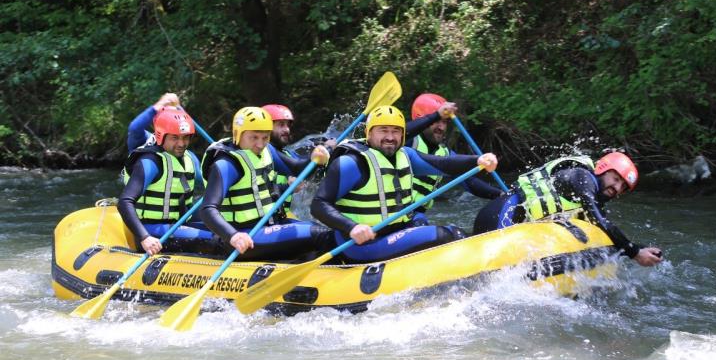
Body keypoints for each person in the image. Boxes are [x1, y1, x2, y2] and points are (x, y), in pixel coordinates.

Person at [310, 105, 499, 263]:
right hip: (360, 245)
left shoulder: (406, 155)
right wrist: (351, 227)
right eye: (383, 130)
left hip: (395, 231)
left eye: (396, 131)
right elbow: (318, 205)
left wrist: (478, 160)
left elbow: (443, 164)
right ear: (369, 133)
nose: (390, 137)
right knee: (445, 235)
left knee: (433, 225)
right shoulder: (351, 163)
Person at [473, 151, 663, 267]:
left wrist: (639, 247)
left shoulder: (590, 197)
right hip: (499, 215)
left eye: (623, 187)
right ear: (602, 169)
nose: (617, 188)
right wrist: (635, 253)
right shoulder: (581, 177)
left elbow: (607, 235)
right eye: (616, 179)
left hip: (513, 228)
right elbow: (600, 221)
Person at [199, 107, 335, 261]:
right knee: (320, 234)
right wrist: (233, 236)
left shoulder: (267, 150)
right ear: (238, 134)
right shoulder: (226, 164)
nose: (260, 144)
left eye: (265, 137)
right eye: (254, 137)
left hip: (270, 226)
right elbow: (207, 209)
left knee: (324, 233)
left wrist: (315, 159)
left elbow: (297, 168)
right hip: (246, 236)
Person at [118, 108, 219, 255]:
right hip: (152, 231)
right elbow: (124, 202)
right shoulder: (150, 162)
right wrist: (144, 237)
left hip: (179, 223)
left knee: (226, 227)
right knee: (218, 239)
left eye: (185, 137)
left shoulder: (190, 159)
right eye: (175, 138)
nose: (181, 143)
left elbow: (210, 184)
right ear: (160, 136)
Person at [406, 93, 503, 224]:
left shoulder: (445, 153)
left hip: (417, 215)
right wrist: (436, 115)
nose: (441, 127)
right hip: (395, 214)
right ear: (423, 120)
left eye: (444, 122)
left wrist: (499, 194)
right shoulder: (407, 142)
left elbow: (469, 181)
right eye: (436, 121)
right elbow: (404, 131)